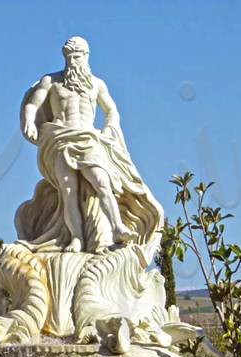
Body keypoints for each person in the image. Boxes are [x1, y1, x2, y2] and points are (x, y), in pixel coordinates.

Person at [17, 36, 163, 255]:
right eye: (68, 57)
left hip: (88, 139)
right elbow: (33, 103)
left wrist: (109, 127)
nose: (72, 61)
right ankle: (76, 238)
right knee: (69, 191)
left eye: (76, 56)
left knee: (102, 182)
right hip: (61, 139)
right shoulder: (51, 81)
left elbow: (111, 110)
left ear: (86, 56)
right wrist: (29, 121)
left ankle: (117, 228)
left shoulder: (96, 84)